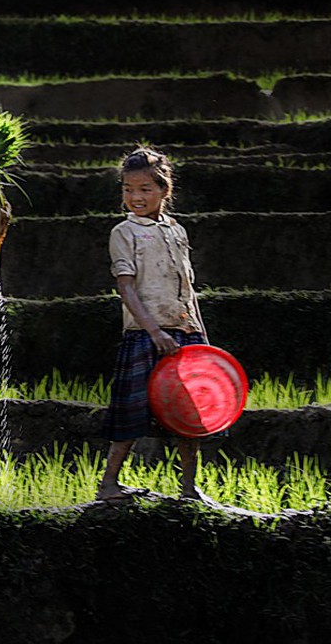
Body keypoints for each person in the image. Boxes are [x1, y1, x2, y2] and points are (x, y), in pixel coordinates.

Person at [97, 146, 211, 503]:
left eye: (145, 189)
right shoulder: (124, 232)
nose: (135, 197)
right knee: (131, 414)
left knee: (187, 415)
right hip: (145, 335)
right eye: (128, 190)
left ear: (164, 190)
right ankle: (109, 485)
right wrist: (155, 332)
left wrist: (200, 336)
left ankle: (189, 489)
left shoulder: (177, 232)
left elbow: (188, 289)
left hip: (184, 332)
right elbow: (126, 287)